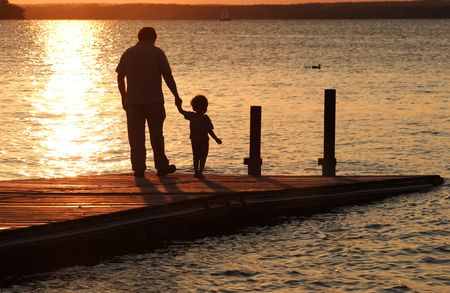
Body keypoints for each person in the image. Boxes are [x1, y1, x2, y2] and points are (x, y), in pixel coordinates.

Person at [116, 27, 182, 177]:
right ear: (154, 37)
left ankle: (138, 168)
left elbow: (120, 77)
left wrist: (123, 96)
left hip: (133, 101)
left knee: (135, 136)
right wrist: (176, 96)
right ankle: (161, 166)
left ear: (139, 37)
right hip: (154, 100)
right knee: (157, 135)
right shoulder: (157, 53)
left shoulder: (128, 53)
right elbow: (167, 76)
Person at [177, 95, 222, 178]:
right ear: (205, 107)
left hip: (194, 139)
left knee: (196, 156)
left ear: (194, 107)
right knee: (203, 156)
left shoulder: (192, 116)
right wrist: (216, 139)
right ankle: (200, 172)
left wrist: (178, 105)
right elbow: (209, 131)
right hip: (204, 140)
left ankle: (196, 172)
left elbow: (181, 111)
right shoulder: (205, 118)